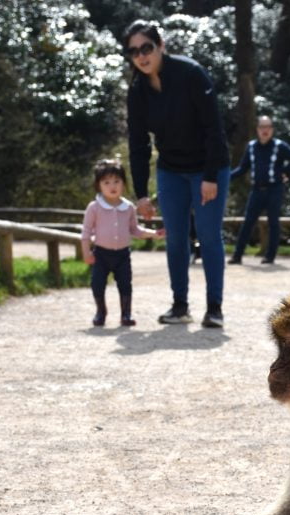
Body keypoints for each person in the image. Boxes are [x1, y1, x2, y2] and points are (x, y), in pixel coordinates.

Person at [123, 20, 231, 328]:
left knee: (209, 236)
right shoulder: (137, 91)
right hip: (171, 170)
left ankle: (214, 308)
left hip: (209, 166)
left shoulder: (191, 74)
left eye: (147, 47)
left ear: (161, 46)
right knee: (175, 240)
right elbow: (139, 145)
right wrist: (141, 193)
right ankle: (180, 305)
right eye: (134, 51)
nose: (141, 56)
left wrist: (210, 176)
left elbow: (214, 128)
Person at [81, 158, 165, 328]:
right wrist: (86, 253)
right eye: (106, 182)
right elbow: (86, 233)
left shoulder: (128, 208)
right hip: (101, 253)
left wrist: (154, 234)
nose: (112, 186)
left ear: (124, 184)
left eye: (117, 181)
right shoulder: (94, 207)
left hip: (122, 254)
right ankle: (100, 312)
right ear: (99, 186)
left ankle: (126, 314)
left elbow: (135, 230)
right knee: (97, 283)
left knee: (125, 284)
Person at [228, 115, 290, 265]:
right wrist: (225, 177)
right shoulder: (251, 147)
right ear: (257, 130)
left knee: (273, 222)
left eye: (268, 127)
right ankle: (237, 256)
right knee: (248, 222)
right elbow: (243, 168)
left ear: (272, 130)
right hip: (256, 190)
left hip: (274, 189)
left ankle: (270, 256)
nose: (265, 130)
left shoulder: (279, 146)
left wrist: (285, 172)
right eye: (262, 127)